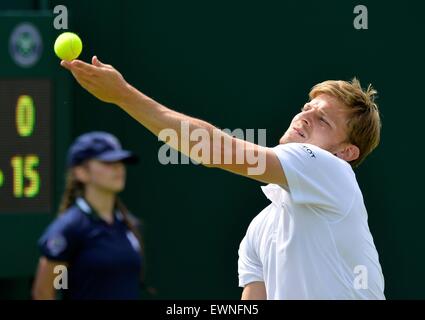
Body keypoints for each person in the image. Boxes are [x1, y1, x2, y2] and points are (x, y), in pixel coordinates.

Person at [60, 56, 385, 299]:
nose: (305, 116)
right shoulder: (260, 229)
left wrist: (123, 95)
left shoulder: (332, 171)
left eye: (323, 120)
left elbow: (212, 149)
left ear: (346, 153)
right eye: (307, 107)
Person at [32, 131, 144, 300]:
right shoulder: (69, 229)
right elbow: (43, 293)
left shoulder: (128, 224)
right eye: (107, 162)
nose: (118, 168)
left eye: (120, 161)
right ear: (80, 172)